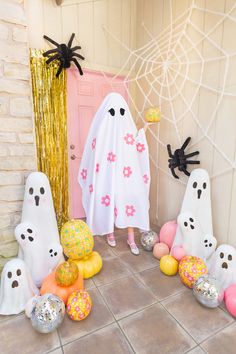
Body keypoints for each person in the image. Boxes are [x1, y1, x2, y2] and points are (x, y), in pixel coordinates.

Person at [78, 93, 150, 255]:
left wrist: (144, 129)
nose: (117, 116)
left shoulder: (127, 131)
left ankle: (130, 238)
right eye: (112, 112)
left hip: (126, 178)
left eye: (122, 112)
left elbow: (136, 143)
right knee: (108, 202)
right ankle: (109, 232)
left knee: (129, 202)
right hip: (108, 178)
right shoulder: (104, 132)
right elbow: (96, 152)